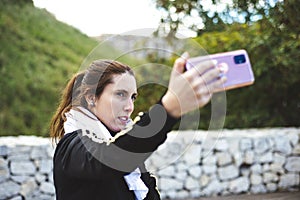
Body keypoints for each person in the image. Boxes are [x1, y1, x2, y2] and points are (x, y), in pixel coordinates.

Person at [50, 53, 226, 200]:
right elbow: (109, 159)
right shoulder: (72, 147)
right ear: (91, 98)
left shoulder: (119, 142)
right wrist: (168, 109)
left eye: (133, 97)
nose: (130, 106)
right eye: (120, 94)